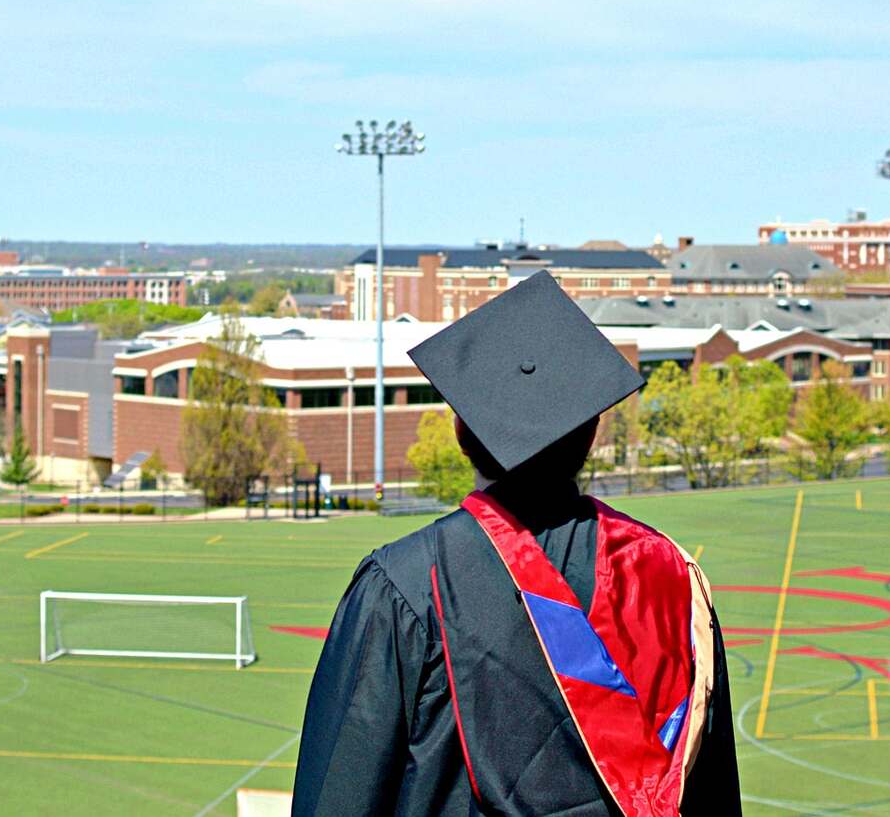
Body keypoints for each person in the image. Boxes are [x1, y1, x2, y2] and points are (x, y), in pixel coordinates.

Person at [292, 270, 741, 815]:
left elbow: (339, 791)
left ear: (461, 435)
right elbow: (712, 791)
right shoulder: (668, 576)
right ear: (592, 432)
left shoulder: (408, 585)